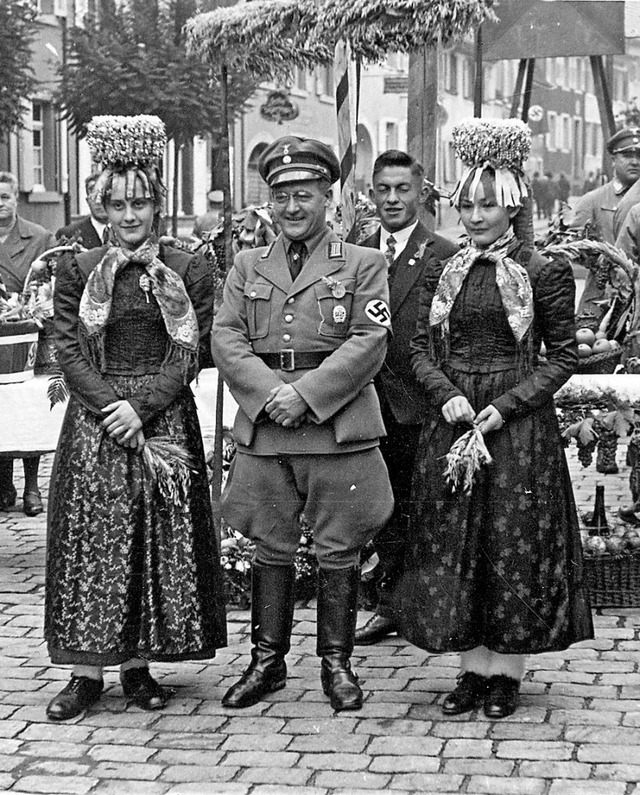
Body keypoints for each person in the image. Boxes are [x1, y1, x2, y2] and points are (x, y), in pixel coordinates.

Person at [397, 118, 594, 720]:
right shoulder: (443, 269)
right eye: (467, 205)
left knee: (509, 539)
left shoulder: (543, 270)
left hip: (515, 424)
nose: (476, 216)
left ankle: (506, 672)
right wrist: (445, 395)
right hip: (454, 420)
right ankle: (470, 669)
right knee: (459, 540)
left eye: (488, 205)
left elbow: (561, 355)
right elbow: (417, 349)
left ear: (511, 206)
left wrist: (505, 406)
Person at [44, 114, 226, 721]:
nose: (129, 217)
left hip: (162, 415)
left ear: (157, 203)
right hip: (96, 423)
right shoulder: (76, 268)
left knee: (151, 539)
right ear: (101, 201)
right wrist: (108, 405)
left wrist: (142, 405)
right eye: (117, 203)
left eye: (141, 203)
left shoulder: (188, 268)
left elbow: (192, 348)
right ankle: (84, 672)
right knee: (93, 541)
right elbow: (67, 348)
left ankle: (139, 667)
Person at [212, 135, 394, 712]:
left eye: (305, 195)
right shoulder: (246, 265)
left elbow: (371, 340)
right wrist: (271, 396)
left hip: (336, 425)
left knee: (339, 547)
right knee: (271, 544)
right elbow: (227, 336)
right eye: (282, 196)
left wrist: (307, 396)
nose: (292, 208)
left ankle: (336, 664)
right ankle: (266, 662)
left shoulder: (364, 263)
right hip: (269, 427)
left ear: (328, 198)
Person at [354, 150, 458, 646]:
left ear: (421, 193)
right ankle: (389, 599)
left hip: (416, 405)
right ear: (371, 193)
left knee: (416, 504)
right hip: (362, 400)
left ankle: (412, 603)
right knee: (377, 507)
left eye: (402, 189)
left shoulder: (443, 253)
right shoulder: (353, 251)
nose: (392, 198)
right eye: (383, 189)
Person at [0, 171, 56, 516]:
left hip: (27, 335)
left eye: (4, 197)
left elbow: (51, 283)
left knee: (27, 409)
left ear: (16, 199)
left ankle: (33, 486)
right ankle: (4, 482)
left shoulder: (38, 237)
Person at [569, 127, 640, 326]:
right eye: (626, 155)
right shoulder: (593, 200)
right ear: (613, 161)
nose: (635, 161)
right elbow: (571, 247)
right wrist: (598, 258)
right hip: (601, 299)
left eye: (639, 156)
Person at [56, 174, 110, 249]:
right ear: (87, 201)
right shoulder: (68, 234)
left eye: (102, 196)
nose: (98, 202)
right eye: (93, 197)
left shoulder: (126, 231)